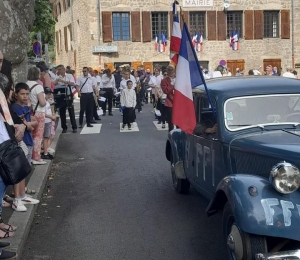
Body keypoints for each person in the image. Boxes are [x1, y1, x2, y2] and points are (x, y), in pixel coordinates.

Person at [10, 82, 40, 212]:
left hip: (28, 140)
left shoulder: (26, 107)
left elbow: (33, 122)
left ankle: (22, 195)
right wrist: (29, 125)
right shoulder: (14, 108)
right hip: (21, 140)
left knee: (24, 170)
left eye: (27, 94)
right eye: (22, 94)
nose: (25, 96)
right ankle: (17, 198)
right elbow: (29, 125)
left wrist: (29, 124)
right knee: (19, 170)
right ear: (15, 94)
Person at [26, 67, 47, 165]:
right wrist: (45, 99)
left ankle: (29, 156)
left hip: (29, 112)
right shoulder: (38, 86)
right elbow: (42, 103)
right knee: (38, 136)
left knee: (31, 135)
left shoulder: (26, 84)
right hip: (39, 112)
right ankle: (36, 157)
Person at [54, 64, 77, 133]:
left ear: (63, 69)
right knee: (62, 112)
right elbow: (53, 85)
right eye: (58, 70)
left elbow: (73, 83)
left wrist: (64, 82)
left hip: (68, 94)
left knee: (71, 111)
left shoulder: (69, 76)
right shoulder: (57, 77)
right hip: (61, 96)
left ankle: (74, 127)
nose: (58, 71)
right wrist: (56, 81)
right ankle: (64, 128)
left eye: (60, 69)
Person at [41, 88, 56, 160]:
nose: (49, 96)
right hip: (46, 121)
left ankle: (46, 151)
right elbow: (43, 113)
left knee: (48, 137)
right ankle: (45, 153)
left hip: (49, 121)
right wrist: (51, 116)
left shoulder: (47, 102)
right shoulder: (43, 102)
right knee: (46, 138)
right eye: (48, 94)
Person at [161, 65, 176, 131]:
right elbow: (166, 91)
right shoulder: (164, 80)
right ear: (167, 71)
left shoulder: (179, 78)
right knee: (170, 121)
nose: (170, 71)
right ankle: (171, 134)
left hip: (179, 102)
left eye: (171, 70)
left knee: (180, 120)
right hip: (170, 102)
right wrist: (172, 86)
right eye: (169, 70)